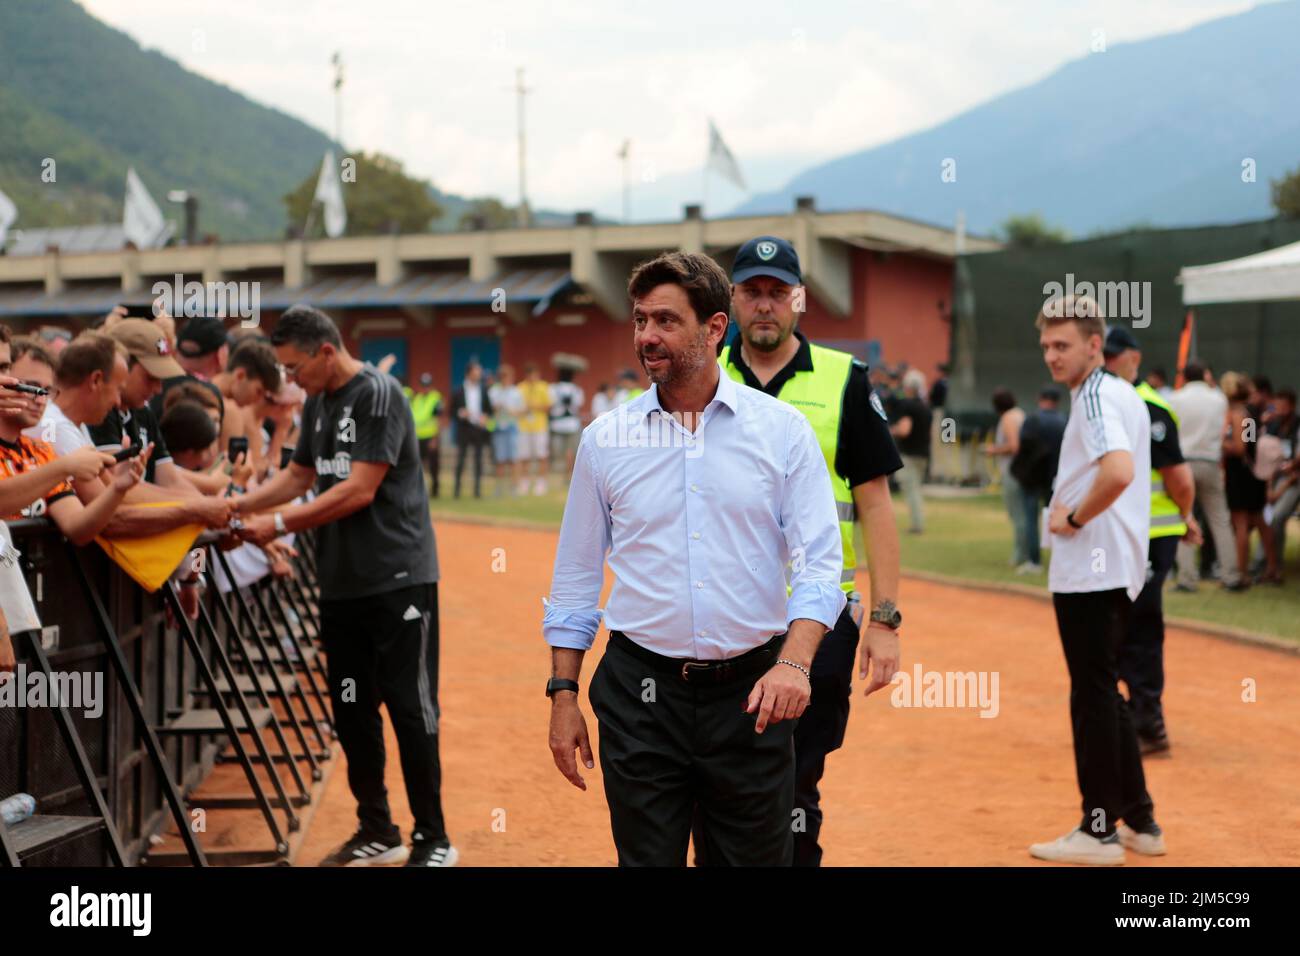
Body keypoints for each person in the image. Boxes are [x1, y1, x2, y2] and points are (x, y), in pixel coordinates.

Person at [543, 251, 844, 867]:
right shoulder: (605, 440)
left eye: (665, 321)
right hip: (639, 697)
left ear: (714, 328)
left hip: (753, 699)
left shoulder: (782, 432)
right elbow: (576, 576)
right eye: (639, 320)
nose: (646, 336)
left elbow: (820, 565)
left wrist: (794, 663)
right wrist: (563, 692)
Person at [231, 304, 454, 868]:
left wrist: (275, 523)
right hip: (342, 585)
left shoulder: (378, 394)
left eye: (293, 367)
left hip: (397, 581)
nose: (289, 380)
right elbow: (299, 475)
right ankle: (377, 828)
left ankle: (434, 839)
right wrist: (233, 506)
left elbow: (358, 490)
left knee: (410, 708)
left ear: (325, 352)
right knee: (351, 709)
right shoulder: (319, 401)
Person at [718, 235, 902, 866]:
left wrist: (883, 618)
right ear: (733, 299)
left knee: (798, 782)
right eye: (752, 291)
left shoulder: (844, 379)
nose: (764, 305)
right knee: (716, 781)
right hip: (721, 622)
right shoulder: (702, 373)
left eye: (777, 291)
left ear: (799, 299)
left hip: (818, 619)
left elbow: (874, 503)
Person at [1030, 295, 1163, 866]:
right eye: (1045, 346)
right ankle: (1140, 821)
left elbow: (1119, 470)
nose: (1052, 356)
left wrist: (1074, 517)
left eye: (1062, 345)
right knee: (1105, 694)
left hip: (1093, 569)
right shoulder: (1119, 392)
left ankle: (1099, 831)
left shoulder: (1094, 396)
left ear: (1093, 345)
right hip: (1112, 569)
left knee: (1092, 696)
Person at [1103, 326, 1202, 756]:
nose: (1106, 363)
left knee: (1139, 625)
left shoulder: (1149, 407)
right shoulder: (1105, 401)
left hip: (1150, 536)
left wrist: (1186, 515)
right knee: (1116, 625)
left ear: (1134, 358)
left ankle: (1148, 723)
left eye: (1114, 355)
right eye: (1101, 355)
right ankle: (1129, 715)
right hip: (1119, 535)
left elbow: (1178, 477)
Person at [25, 332, 230, 536]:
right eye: (117, 389)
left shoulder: (72, 425)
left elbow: (113, 495)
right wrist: (196, 509)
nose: (117, 401)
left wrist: (199, 506)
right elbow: (110, 518)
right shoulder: (58, 427)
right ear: (96, 380)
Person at [0, 326, 148, 544]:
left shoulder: (40, 451)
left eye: (47, 391)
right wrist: (65, 467)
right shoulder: (55, 452)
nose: (40, 399)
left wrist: (117, 489)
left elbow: (77, 527)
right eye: (31, 386)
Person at [86, 318, 187, 488]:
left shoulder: (142, 411)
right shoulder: (98, 410)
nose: (158, 389)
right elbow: (120, 490)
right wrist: (198, 505)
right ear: (121, 365)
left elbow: (170, 479)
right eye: (151, 378)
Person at [1170, 361, 1242, 591]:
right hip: (1210, 462)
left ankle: (1187, 578)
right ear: (1205, 375)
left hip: (1184, 463)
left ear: (1185, 377)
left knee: (1184, 518)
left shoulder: (1176, 398)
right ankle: (1231, 576)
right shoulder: (1219, 399)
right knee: (1220, 520)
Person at [1221, 371, 1275, 587]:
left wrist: (1220, 443)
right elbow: (1250, 444)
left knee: (1241, 522)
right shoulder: (1250, 413)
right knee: (1259, 520)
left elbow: (1240, 448)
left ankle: (1241, 572)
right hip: (1252, 474)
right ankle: (1272, 567)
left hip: (1240, 474)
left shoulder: (1237, 414)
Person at [1009, 386, 1067, 569]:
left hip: (1033, 477)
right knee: (1057, 520)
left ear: (1039, 398)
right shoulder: (1064, 421)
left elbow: (1023, 448)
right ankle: (1060, 561)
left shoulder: (1032, 420)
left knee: (1031, 520)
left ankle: (1034, 561)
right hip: (1057, 478)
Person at [985, 388, 1034, 571]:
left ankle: (1020, 554)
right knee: (1025, 514)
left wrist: (993, 450)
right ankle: (1028, 551)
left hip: (1013, 471)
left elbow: (1014, 446)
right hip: (1023, 471)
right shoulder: (1020, 413)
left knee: (1018, 515)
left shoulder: (1007, 418)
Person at [889, 369, 930, 535]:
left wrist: (891, 430)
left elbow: (905, 429)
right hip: (923, 453)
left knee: (911, 491)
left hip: (909, 454)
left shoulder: (907, 406)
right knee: (917, 489)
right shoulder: (925, 406)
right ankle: (918, 521)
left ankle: (917, 525)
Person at [1264, 387, 1299, 576]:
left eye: (1283, 406)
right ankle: (1267, 563)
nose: (1278, 410)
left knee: (1276, 517)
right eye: (1276, 406)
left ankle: (1272, 564)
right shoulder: (1269, 423)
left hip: (1292, 478)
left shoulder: (1296, 424)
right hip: (1274, 476)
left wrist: (1291, 468)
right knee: (1267, 518)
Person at [451, 360, 491, 499]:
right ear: (469, 373)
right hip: (464, 428)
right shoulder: (458, 390)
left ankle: (477, 490)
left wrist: (485, 417)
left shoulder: (483, 390)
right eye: (476, 372)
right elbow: (452, 411)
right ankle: (457, 490)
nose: (478, 375)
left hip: (478, 428)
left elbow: (488, 409)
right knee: (461, 459)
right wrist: (461, 413)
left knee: (478, 460)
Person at [403, 373, 443, 497]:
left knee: (433, 466)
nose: (425, 388)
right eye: (423, 385)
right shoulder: (417, 398)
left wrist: (435, 439)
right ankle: (418, 488)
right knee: (417, 464)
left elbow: (439, 419)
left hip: (430, 436)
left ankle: (435, 489)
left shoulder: (435, 398)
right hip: (417, 437)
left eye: (427, 385)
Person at [487, 363, 523, 496]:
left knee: (513, 459)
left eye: (507, 376)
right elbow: (489, 410)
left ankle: (514, 487)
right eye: (502, 377)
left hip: (512, 427)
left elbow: (521, 411)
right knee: (500, 459)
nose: (504, 379)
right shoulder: (494, 391)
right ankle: (499, 488)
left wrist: (511, 410)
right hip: (498, 428)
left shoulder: (516, 392)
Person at [517, 362, 551, 495]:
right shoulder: (520, 388)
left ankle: (541, 483)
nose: (533, 378)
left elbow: (548, 407)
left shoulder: (543, 387)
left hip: (539, 426)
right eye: (530, 375)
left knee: (541, 455)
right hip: (524, 426)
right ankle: (524, 482)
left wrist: (534, 406)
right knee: (524, 456)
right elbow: (516, 407)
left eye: (535, 375)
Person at [548, 365, 585, 476]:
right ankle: (569, 473)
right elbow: (579, 404)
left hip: (557, 424)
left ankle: (562, 473)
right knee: (572, 451)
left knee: (558, 452)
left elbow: (551, 403)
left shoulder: (553, 388)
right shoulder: (577, 390)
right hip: (572, 424)